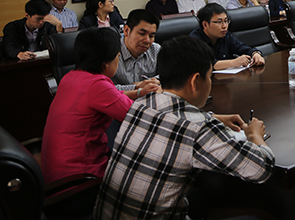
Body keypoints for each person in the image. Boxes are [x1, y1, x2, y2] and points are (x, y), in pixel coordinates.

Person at [94, 36, 274, 220]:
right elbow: (261, 169)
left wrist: (212, 117)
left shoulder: (140, 105)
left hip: (106, 215)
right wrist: (255, 136)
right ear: (195, 81)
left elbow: (170, 118)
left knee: (199, 199)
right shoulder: (198, 127)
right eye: (208, 76)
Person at [41, 28, 158, 185]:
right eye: (117, 57)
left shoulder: (71, 77)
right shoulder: (97, 85)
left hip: (55, 171)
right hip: (79, 177)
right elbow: (140, 117)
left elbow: (112, 96)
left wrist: (139, 92)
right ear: (105, 63)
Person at [190, 3, 265, 70]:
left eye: (226, 21)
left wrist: (256, 54)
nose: (224, 26)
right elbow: (207, 65)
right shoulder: (194, 41)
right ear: (205, 24)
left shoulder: (225, 35)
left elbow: (242, 48)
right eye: (219, 22)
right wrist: (234, 62)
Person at [113, 9, 162, 97]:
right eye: (142, 34)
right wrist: (136, 87)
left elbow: (170, 75)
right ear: (126, 31)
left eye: (151, 36)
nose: (147, 40)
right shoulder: (111, 52)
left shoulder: (155, 50)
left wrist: (155, 80)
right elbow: (103, 89)